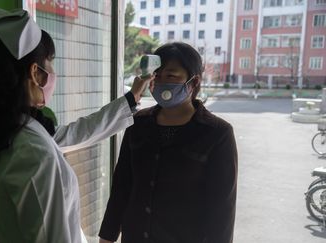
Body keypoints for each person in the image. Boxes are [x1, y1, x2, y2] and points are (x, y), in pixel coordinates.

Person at [0, 7, 152, 243]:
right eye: (50, 62)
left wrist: (131, 99)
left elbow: (74, 134)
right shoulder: (32, 150)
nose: (53, 72)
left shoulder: (4, 129)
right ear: (35, 73)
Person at [99, 42, 238, 243]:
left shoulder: (217, 134)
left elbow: (222, 208)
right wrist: (107, 237)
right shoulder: (137, 123)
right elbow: (122, 186)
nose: (162, 81)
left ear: (194, 81)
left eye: (171, 76)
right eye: (157, 75)